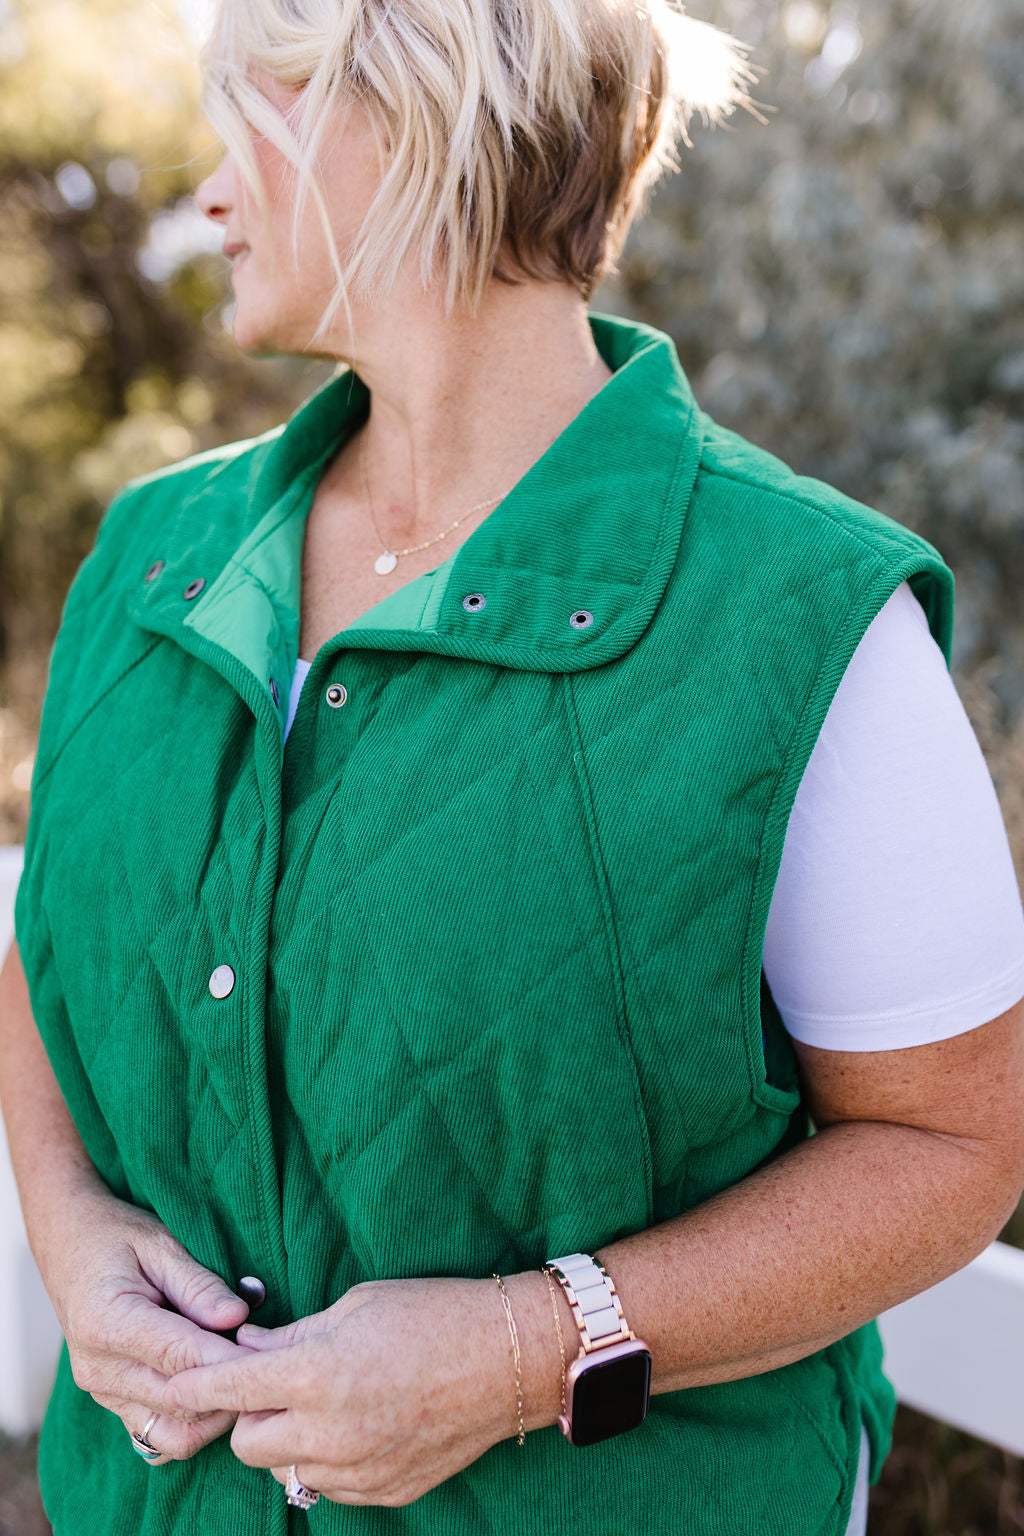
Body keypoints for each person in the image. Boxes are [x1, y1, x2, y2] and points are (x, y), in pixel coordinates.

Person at [2, 0, 1024, 1533]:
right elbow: (49, 954)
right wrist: (73, 1236)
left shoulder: (800, 617)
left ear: (407, 121)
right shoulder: (149, 555)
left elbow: (953, 1147)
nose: (208, 191)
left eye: (249, 121)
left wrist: (518, 1349)